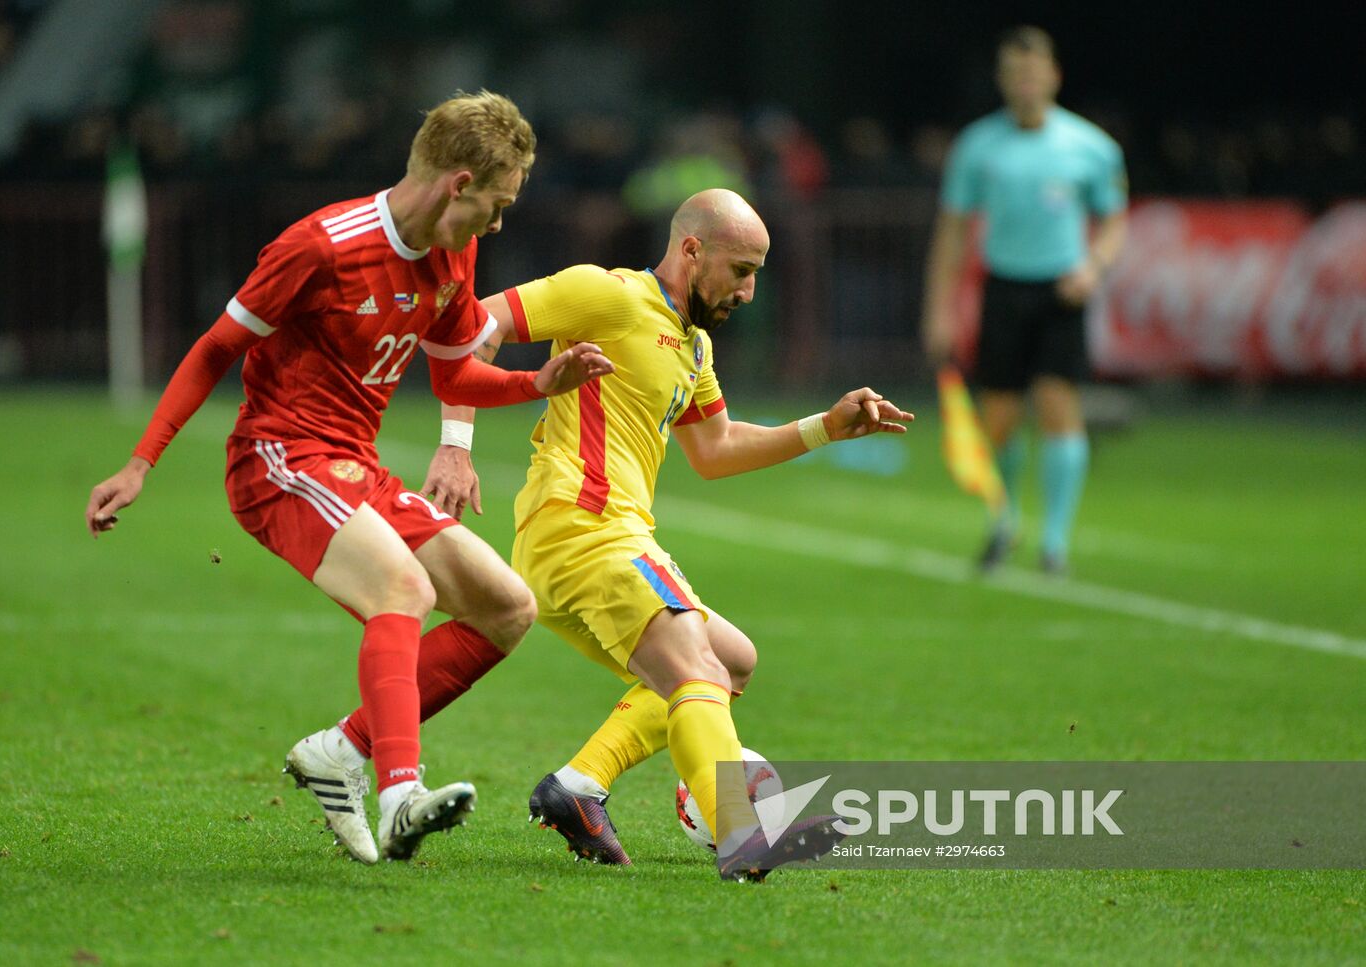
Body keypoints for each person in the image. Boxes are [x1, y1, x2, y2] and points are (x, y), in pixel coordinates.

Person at [84, 91, 612, 866]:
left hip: (353, 464)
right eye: (495, 206)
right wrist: (141, 461)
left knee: (506, 607)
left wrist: (540, 382)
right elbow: (214, 348)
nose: (498, 226)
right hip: (278, 458)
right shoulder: (323, 246)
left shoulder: (453, 252)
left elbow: (457, 374)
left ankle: (342, 750)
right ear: (457, 184)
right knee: (404, 588)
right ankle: (400, 793)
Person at [405, 188, 913, 881]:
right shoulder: (606, 294)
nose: (751, 290)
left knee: (731, 659)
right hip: (586, 528)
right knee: (699, 669)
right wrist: (455, 444)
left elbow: (717, 448)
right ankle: (742, 831)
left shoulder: (693, 346)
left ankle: (579, 785)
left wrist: (826, 426)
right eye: (741, 270)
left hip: (594, 539)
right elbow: (476, 325)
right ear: (692, 250)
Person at [921, 26, 1128, 576]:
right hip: (1005, 289)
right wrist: (938, 308)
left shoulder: (1091, 148)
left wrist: (1094, 267)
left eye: (1034, 71)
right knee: (1001, 417)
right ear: (1002, 79)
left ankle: (1055, 542)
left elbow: (1114, 219)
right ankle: (1006, 521)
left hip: (1061, 290)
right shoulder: (978, 146)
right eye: (1014, 72)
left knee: (1059, 409)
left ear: (1054, 76)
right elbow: (953, 231)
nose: (1025, 82)